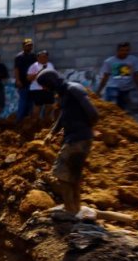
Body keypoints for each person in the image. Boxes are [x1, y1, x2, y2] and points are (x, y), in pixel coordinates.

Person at [37, 69, 99, 217]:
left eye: (44, 85)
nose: (44, 88)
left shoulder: (73, 89)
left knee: (61, 173)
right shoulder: (64, 94)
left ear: (50, 82)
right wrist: (52, 132)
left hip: (77, 139)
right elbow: (64, 115)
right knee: (73, 174)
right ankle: (75, 208)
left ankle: (69, 209)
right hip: (78, 138)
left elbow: (93, 113)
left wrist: (87, 129)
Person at [97, 42, 138, 111]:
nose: (125, 52)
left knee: (130, 110)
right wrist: (99, 91)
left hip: (128, 88)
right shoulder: (109, 61)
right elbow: (105, 77)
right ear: (117, 51)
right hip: (113, 88)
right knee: (113, 110)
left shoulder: (134, 60)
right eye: (122, 50)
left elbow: (137, 76)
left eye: (127, 50)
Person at [26, 50, 56, 120]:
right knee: (37, 107)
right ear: (38, 58)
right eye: (41, 57)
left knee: (49, 106)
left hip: (48, 89)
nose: (44, 58)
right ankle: (34, 123)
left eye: (45, 57)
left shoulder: (50, 65)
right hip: (37, 90)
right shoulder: (34, 66)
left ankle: (45, 122)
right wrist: (39, 72)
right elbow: (28, 78)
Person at [14, 39, 37, 121]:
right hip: (23, 83)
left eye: (30, 45)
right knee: (23, 102)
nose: (29, 47)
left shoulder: (34, 56)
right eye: (27, 45)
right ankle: (19, 120)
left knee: (30, 102)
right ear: (23, 46)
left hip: (32, 83)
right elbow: (16, 69)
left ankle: (28, 120)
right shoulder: (19, 57)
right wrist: (18, 80)